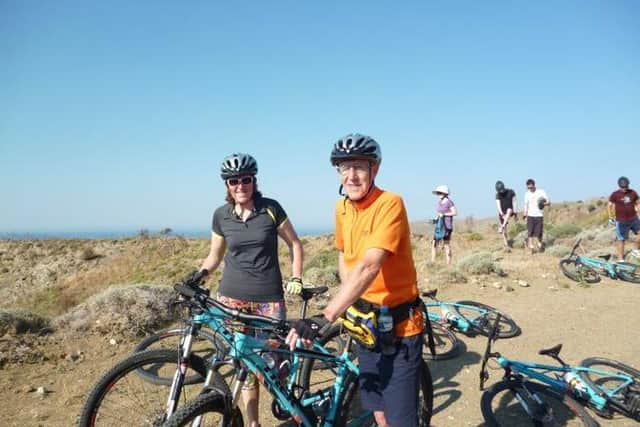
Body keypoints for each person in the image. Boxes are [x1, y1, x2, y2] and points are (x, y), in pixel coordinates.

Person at [287, 133, 425, 427]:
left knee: (402, 421)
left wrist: (326, 315)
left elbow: (369, 266)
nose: (351, 176)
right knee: (377, 408)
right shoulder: (342, 208)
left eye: (359, 167)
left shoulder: (390, 204)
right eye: (344, 167)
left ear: (375, 169)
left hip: (400, 329)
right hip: (366, 327)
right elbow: (345, 256)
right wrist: (349, 303)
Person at [186, 152, 304, 427]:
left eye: (246, 179)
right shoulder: (221, 215)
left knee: (274, 366)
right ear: (227, 185)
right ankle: (253, 423)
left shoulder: (271, 208)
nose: (240, 185)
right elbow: (215, 256)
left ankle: (293, 411)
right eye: (234, 181)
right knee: (244, 366)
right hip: (231, 300)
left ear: (254, 180)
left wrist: (296, 277)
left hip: (268, 301)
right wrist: (200, 275)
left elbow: (295, 244)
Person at [607, 176, 640, 262]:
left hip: (634, 219)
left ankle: (635, 250)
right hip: (621, 221)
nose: (624, 188)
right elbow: (609, 206)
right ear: (619, 186)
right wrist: (610, 217)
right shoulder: (615, 194)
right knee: (621, 239)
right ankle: (620, 259)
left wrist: (638, 211)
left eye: (625, 186)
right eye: (622, 187)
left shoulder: (633, 193)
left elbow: (637, 203)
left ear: (628, 185)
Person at [431, 185, 457, 264]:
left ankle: (448, 264)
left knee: (446, 245)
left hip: (447, 226)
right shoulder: (440, 202)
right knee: (434, 243)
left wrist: (444, 214)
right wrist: (436, 220)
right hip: (439, 226)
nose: (438, 194)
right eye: (438, 193)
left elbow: (455, 212)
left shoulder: (449, 202)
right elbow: (439, 214)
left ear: (445, 193)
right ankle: (432, 262)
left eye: (440, 193)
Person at [522, 178, 550, 253]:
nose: (530, 189)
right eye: (528, 188)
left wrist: (543, 203)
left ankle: (540, 244)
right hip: (530, 215)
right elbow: (526, 204)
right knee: (530, 232)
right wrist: (525, 213)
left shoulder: (541, 192)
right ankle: (531, 247)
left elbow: (548, 201)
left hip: (539, 215)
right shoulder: (527, 194)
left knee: (539, 232)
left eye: (531, 187)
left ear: (534, 185)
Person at [495, 180, 517, 248]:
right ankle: (506, 243)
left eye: (502, 190)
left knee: (509, 210)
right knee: (504, 231)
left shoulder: (511, 192)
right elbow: (498, 206)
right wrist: (502, 214)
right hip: (502, 212)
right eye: (500, 190)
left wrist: (515, 211)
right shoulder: (497, 195)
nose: (501, 191)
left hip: (510, 210)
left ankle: (502, 226)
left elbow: (514, 201)